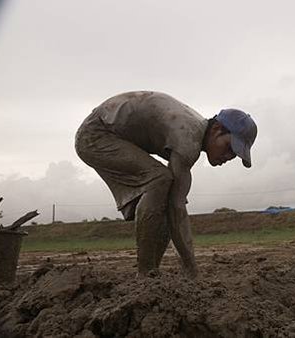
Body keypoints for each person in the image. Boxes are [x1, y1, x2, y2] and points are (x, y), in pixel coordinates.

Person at [75, 91, 257, 277]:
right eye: (229, 148)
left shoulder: (193, 131)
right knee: (160, 180)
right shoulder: (188, 138)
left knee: (168, 192)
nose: (228, 157)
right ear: (217, 130)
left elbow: (175, 206)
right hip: (95, 136)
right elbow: (177, 210)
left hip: (108, 133)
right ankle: (146, 274)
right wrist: (192, 270)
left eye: (234, 155)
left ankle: (151, 273)